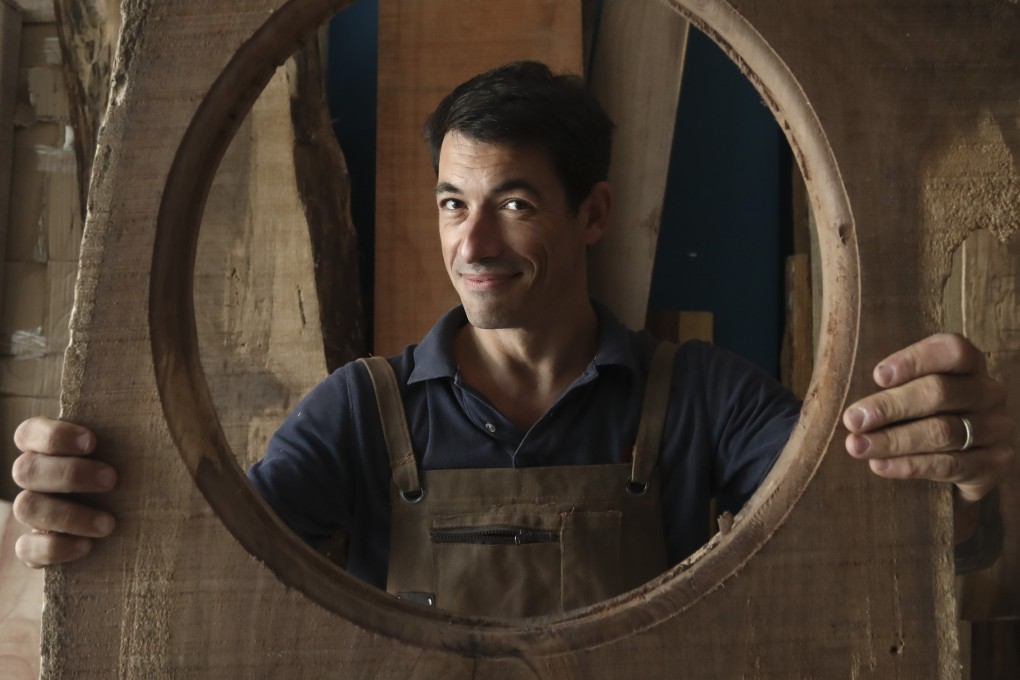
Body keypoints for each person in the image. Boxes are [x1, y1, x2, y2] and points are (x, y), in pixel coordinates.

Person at [10, 62, 1014, 615]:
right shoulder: (359, 412)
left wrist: (962, 485)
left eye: (514, 202)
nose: (472, 242)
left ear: (593, 212)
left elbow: (880, 558)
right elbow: (206, 583)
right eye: (452, 203)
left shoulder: (706, 397)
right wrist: (75, 534)